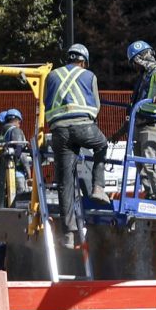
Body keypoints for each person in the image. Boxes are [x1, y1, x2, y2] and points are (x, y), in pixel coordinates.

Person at [44, 43, 110, 249]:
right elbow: (96, 107)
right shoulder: (89, 76)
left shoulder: (52, 76)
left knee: (65, 182)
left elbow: (47, 102)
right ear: (83, 61)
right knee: (101, 145)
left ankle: (68, 234)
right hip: (83, 126)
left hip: (59, 131)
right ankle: (98, 188)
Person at [127, 40, 156, 202]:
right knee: (140, 165)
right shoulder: (142, 78)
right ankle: (150, 194)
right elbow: (135, 106)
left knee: (148, 161)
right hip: (139, 124)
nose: (135, 66)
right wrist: (120, 130)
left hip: (154, 125)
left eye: (135, 62)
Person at [0, 108, 32, 195]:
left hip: (5, 171)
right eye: (19, 122)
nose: (19, 124)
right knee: (20, 200)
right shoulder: (16, 131)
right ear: (16, 120)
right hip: (18, 174)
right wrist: (29, 172)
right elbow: (20, 152)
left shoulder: (3, 133)